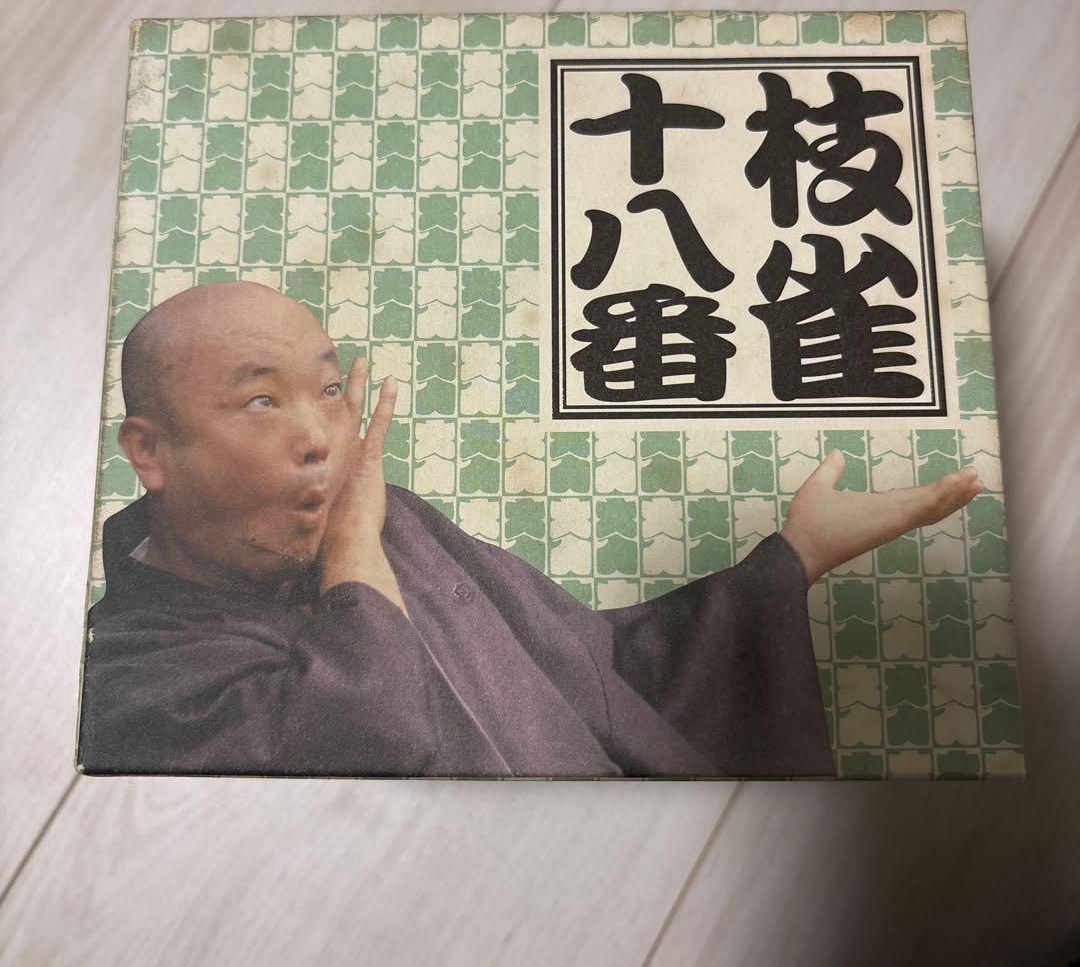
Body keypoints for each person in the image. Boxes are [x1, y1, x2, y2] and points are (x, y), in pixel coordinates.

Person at [76, 281, 983, 778]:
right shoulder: (129, 677)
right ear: (150, 451)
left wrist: (796, 556)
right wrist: (355, 545)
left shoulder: (390, 526)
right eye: (262, 402)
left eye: (326, 389)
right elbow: (375, 736)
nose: (320, 436)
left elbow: (595, 666)